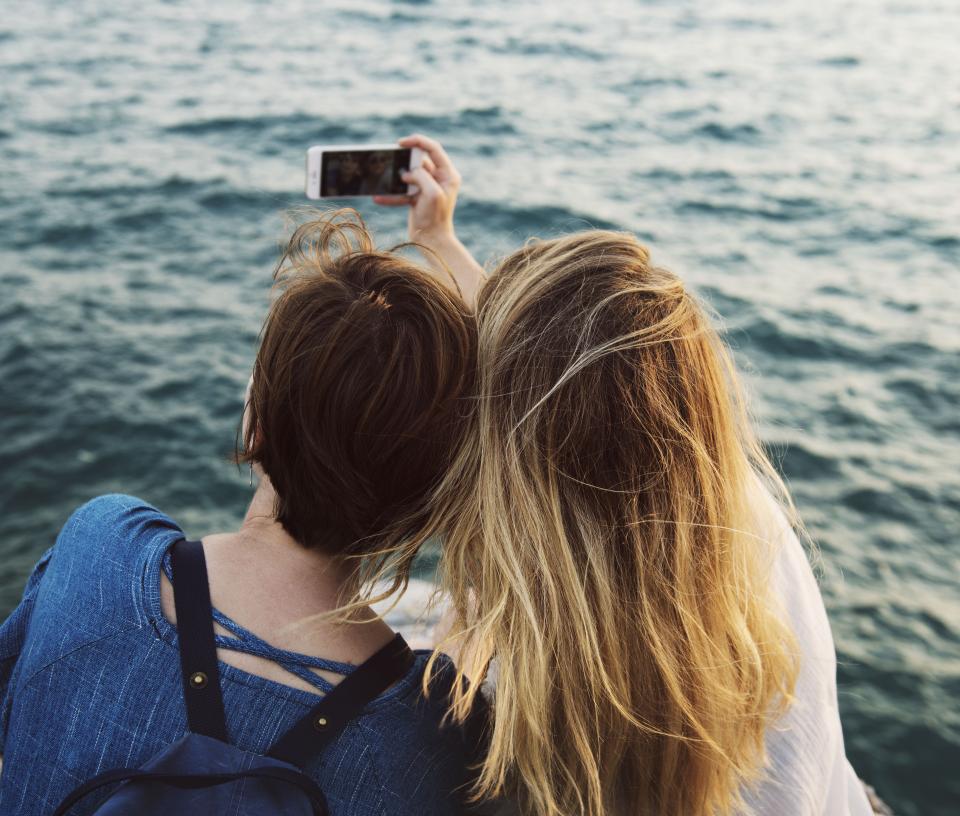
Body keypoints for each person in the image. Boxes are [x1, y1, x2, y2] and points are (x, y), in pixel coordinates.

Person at [379, 135, 875, 815]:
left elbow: (547, 373)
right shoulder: (730, 505)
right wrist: (439, 238)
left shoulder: (566, 712)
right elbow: (578, 370)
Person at [0, 210, 485, 815]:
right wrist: (445, 243)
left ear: (256, 427)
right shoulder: (428, 742)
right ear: (438, 492)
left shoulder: (104, 552)